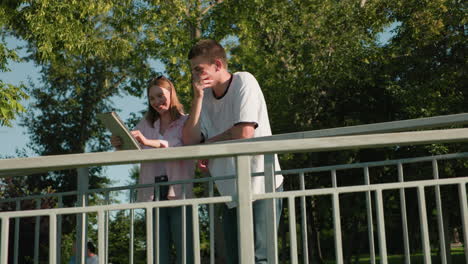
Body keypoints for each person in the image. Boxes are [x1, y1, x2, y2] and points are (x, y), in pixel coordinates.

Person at [182, 39, 284, 264]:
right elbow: (189, 140)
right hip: (229, 190)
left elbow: (243, 132)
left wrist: (208, 145)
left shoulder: (243, 81)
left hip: (261, 183)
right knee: (237, 259)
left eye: (199, 70)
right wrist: (197, 98)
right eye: (192, 71)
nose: (195, 76)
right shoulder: (205, 97)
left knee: (260, 259)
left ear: (218, 64)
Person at [111, 76, 194, 264]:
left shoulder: (186, 122)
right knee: (158, 251)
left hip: (178, 190)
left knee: (185, 248)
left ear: (171, 93)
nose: (156, 102)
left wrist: (148, 142)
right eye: (151, 98)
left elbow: (179, 146)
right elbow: (133, 150)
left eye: (160, 96)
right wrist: (119, 144)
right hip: (153, 190)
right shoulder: (146, 124)